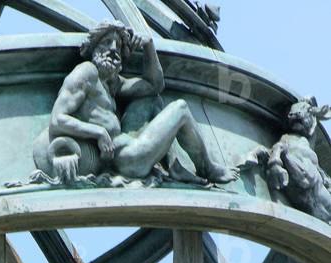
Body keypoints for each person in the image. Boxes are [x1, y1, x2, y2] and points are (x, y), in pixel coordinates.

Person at [32, 21, 238, 187]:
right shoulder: (86, 72)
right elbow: (57, 120)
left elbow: (154, 86)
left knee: (151, 99)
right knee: (181, 108)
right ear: (94, 47)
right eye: (107, 42)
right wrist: (98, 132)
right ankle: (206, 168)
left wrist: (149, 47)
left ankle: (174, 166)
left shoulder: (113, 82)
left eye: (118, 45)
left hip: (126, 147)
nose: (113, 49)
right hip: (126, 159)